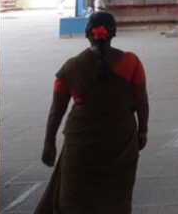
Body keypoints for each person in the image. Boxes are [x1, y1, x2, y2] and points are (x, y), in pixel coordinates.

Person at [36, 12, 149, 213]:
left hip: (81, 144)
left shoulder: (71, 67)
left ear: (87, 34)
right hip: (120, 140)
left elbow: (56, 111)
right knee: (116, 197)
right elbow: (142, 102)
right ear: (113, 33)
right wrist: (142, 131)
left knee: (76, 198)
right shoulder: (131, 62)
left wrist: (49, 143)